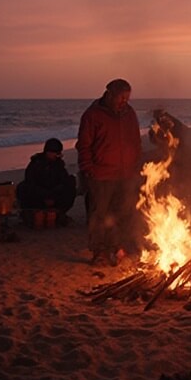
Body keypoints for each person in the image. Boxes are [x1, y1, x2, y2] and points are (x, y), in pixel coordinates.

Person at [76, 78, 143, 266]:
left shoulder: (129, 113)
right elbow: (84, 145)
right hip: (101, 175)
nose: (124, 102)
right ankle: (99, 252)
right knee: (99, 215)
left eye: (127, 98)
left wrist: (136, 164)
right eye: (121, 98)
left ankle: (118, 248)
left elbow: (136, 141)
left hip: (125, 174)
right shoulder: (93, 115)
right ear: (109, 93)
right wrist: (88, 169)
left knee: (122, 213)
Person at [16, 138, 77, 221]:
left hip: (54, 195)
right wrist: (45, 196)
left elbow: (64, 180)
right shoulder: (36, 164)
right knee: (22, 188)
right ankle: (32, 213)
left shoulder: (58, 164)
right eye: (56, 153)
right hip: (38, 196)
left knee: (71, 182)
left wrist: (53, 196)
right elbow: (30, 182)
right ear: (48, 152)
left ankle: (59, 212)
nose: (57, 156)